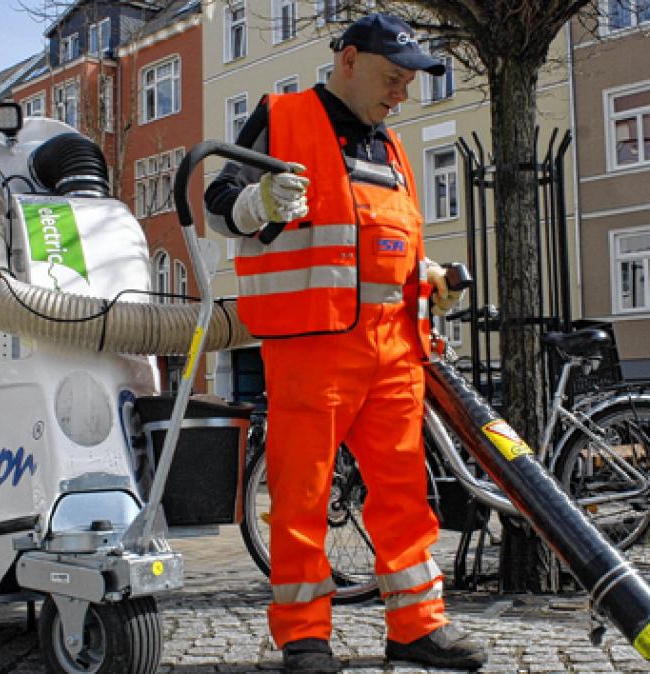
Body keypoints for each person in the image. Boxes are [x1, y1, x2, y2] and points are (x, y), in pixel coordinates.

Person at [204, 13, 484, 673]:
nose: (403, 92)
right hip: (312, 346)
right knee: (303, 497)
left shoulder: (391, 148)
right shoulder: (283, 118)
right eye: (394, 77)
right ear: (349, 61)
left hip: (394, 349)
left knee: (404, 496)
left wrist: (429, 278)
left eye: (410, 81)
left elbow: (384, 249)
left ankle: (417, 627)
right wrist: (259, 203)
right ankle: (305, 637)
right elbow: (219, 202)